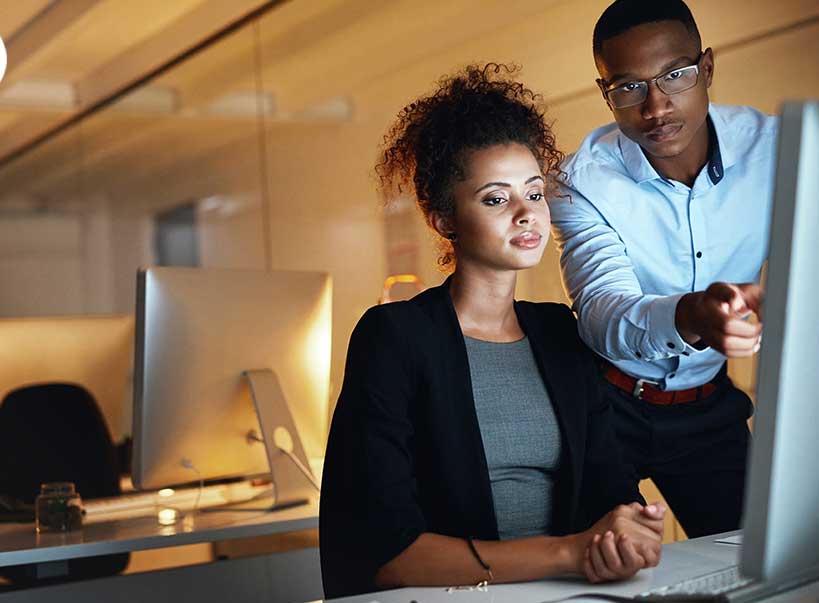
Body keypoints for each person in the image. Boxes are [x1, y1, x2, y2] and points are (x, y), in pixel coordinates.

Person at [319, 63, 665, 600]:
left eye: (534, 192)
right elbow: (384, 552)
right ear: (443, 219)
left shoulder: (559, 334)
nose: (527, 214)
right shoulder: (395, 337)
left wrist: (629, 532)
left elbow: (610, 494)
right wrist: (570, 552)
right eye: (497, 199)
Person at [550, 0, 774, 539]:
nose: (655, 107)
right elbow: (601, 313)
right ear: (606, 92)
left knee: (755, 561)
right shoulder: (578, 181)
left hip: (708, 403)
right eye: (628, 87)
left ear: (709, 69)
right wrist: (693, 314)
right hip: (604, 405)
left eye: (675, 75)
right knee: (598, 568)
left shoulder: (779, 149)